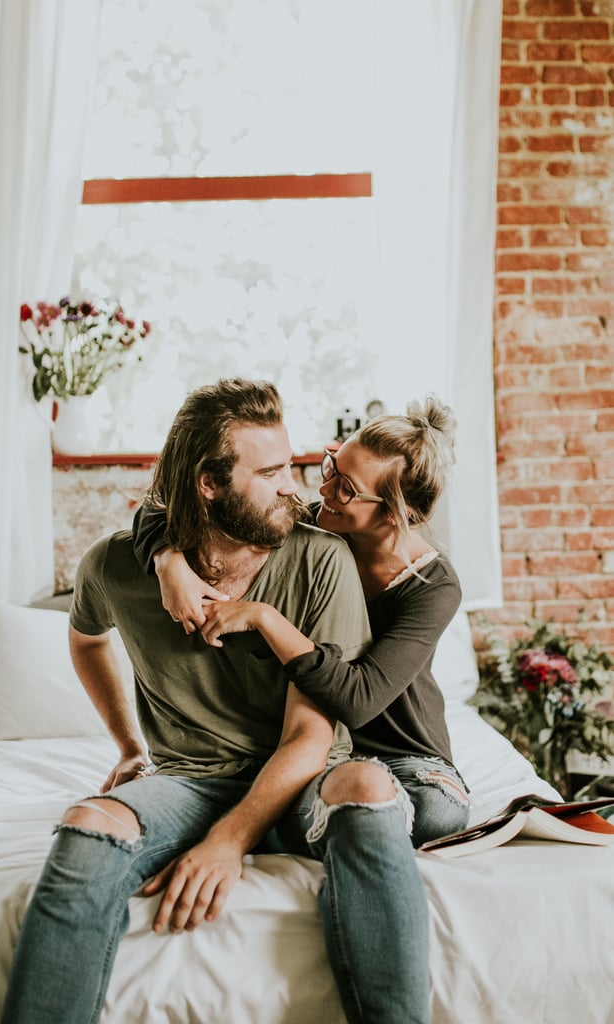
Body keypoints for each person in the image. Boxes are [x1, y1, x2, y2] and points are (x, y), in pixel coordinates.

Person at [0, 378, 376, 1024]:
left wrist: (228, 841)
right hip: (189, 779)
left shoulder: (320, 559)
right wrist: (126, 746)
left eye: (291, 464)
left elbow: (309, 738)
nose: (294, 484)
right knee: (87, 827)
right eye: (272, 471)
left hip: (301, 780)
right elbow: (87, 641)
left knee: (368, 793)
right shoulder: (117, 566)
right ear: (209, 482)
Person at [133, 394, 471, 1024]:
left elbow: (359, 695)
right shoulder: (319, 525)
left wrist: (265, 618)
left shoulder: (432, 586)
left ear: (393, 513)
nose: (323, 489)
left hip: (415, 769)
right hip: (331, 765)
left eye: (346, 487)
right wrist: (168, 561)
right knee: (318, 795)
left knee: (395, 807)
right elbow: (160, 506)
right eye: (330, 464)